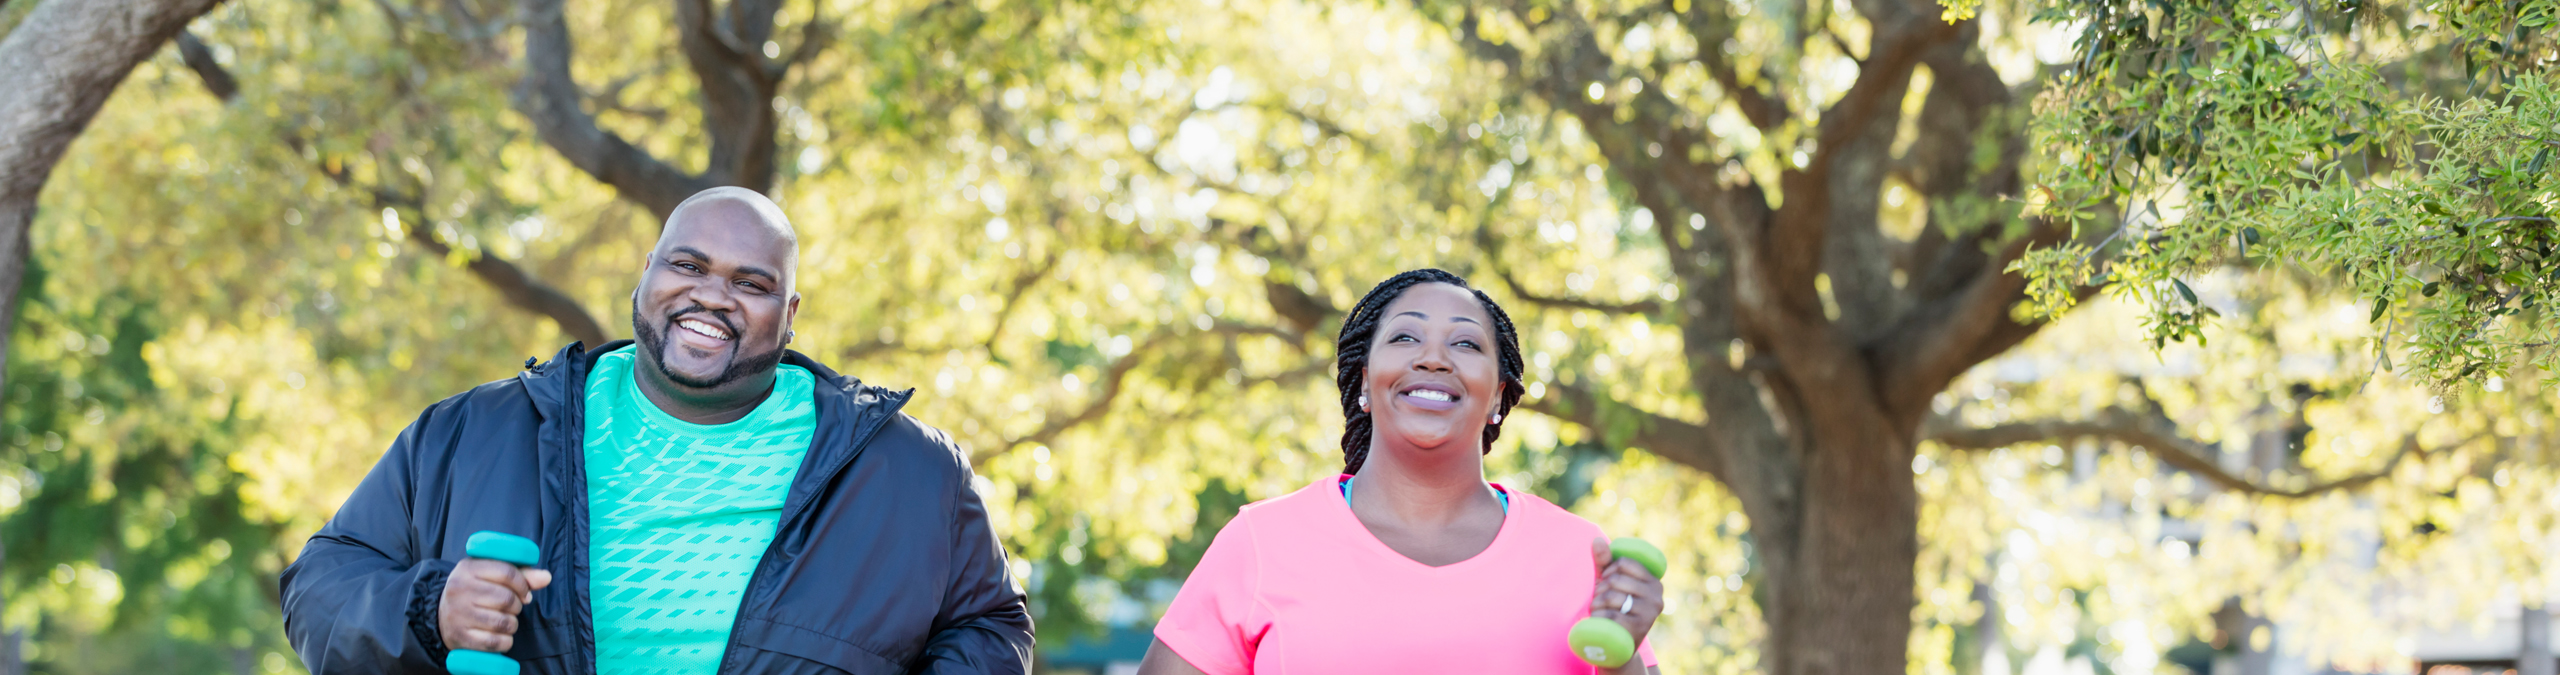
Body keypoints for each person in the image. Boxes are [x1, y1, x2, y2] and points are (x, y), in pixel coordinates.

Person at [280, 187, 1034, 674]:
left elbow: (990, 625)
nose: (713, 295)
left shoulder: (910, 471)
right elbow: (319, 583)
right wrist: (431, 607)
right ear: (646, 272)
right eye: (688, 264)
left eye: (752, 283)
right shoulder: (474, 431)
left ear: (790, 312)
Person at [1137, 268, 1664, 674]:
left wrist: (1622, 663)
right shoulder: (1259, 543)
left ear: (1498, 396)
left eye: (1465, 344)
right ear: (1364, 381)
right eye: (1405, 338)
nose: (1434, 358)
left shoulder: (1578, 555)